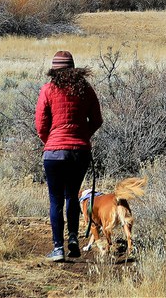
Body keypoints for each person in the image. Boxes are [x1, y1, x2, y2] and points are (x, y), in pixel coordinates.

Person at [35, 50, 103, 262]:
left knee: (55, 200)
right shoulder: (85, 89)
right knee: (71, 195)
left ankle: (57, 249)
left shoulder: (48, 89)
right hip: (79, 152)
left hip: (54, 153)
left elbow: (40, 124)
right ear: (74, 69)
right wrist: (82, 136)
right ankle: (73, 239)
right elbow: (97, 120)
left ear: (54, 70)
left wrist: (51, 142)